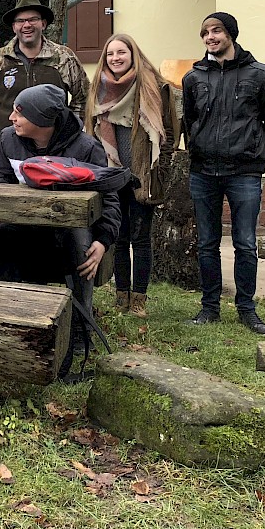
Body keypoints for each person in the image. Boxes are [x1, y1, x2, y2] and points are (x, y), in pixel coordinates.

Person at [0, 85, 121, 372]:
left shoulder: (86, 148)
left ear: (42, 119)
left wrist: (103, 241)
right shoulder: (8, 139)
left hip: (72, 230)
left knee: (81, 247)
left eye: (19, 112)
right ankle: (15, 323)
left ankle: (79, 334)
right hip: (25, 223)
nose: (11, 118)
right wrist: (2, 211)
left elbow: (109, 198)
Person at [182, 12, 265, 336]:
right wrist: (196, 150)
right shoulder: (193, 78)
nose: (210, 37)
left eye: (216, 31)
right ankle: (209, 308)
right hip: (203, 173)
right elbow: (188, 121)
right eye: (205, 33)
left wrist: (258, 161)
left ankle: (247, 310)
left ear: (231, 34)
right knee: (207, 244)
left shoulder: (261, 75)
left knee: (245, 242)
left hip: (244, 174)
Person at [85, 34, 177, 318]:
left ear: (132, 54)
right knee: (118, 237)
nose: (115, 58)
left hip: (142, 173)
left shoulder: (153, 85)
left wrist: (160, 165)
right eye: (110, 54)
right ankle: (121, 296)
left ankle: (139, 299)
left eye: (121, 52)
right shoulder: (97, 89)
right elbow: (90, 131)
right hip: (111, 174)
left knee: (141, 239)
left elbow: (170, 130)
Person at [0, 0, 89, 171]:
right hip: (3, 149)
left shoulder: (64, 57)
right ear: (14, 27)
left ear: (43, 24)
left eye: (32, 19)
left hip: (54, 151)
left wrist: (69, 132)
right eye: (20, 21)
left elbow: (82, 97)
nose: (26, 25)